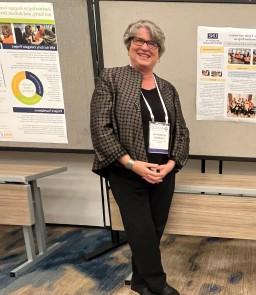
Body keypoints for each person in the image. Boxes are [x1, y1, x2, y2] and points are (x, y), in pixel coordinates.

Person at [90, 19, 189, 295]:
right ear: (129, 44)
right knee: (141, 230)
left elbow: (182, 132)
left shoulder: (167, 88)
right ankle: (157, 285)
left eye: (152, 43)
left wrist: (171, 165)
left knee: (153, 229)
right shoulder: (111, 78)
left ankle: (139, 282)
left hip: (162, 172)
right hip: (127, 171)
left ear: (159, 50)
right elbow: (100, 128)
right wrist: (132, 164)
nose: (146, 47)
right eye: (139, 41)